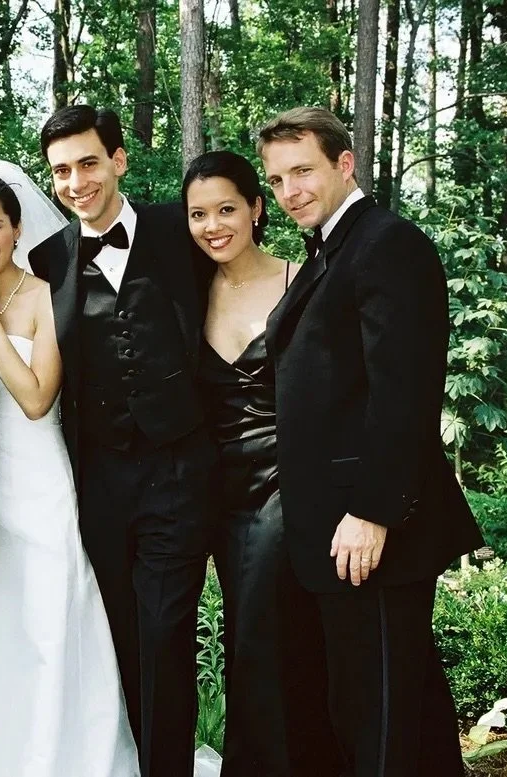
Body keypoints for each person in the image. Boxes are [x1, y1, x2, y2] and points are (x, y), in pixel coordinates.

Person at [257, 106, 484, 776]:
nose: (289, 189)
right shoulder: (333, 246)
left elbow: (405, 391)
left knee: (378, 710)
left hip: (372, 529)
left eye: (302, 170)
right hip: (331, 526)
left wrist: (373, 511)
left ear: (344, 163)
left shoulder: (387, 244)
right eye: (277, 179)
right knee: (402, 707)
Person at [0, 170, 139, 776]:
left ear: (18, 228)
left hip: (39, 480)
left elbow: (38, 397)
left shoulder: (47, 295)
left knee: (50, 621)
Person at [28, 105, 216, 777]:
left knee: (164, 632)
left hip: (178, 472)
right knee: (121, 639)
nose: (76, 181)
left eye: (87, 162)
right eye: (61, 170)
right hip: (99, 482)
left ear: (118, 160)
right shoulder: (45, 260)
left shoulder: (180, 230)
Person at [185, 149, 317, 776]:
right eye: (199, 214)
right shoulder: (186, 291)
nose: (213, 226)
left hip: (284, 483)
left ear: (257, 209)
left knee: (266, 635)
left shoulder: (302, 279)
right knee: (242, 636)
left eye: (227, 210)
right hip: (211, 488)